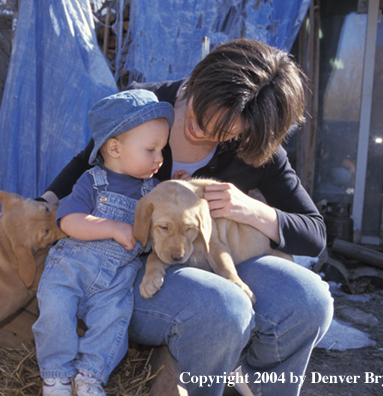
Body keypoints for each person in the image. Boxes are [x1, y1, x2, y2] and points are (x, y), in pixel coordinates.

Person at [40, 39, 333, 396]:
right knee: (222, 306)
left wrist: (249, 208)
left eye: (224, 133)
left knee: (309, 299)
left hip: (219, 258)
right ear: (197, 80)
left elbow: (314, 233)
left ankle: (253, 382)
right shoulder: (142, 106)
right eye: (198, 114)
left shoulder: (254, 143)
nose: (203, 133)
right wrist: (40, 206)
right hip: (129, 269)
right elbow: (82, 167)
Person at [32, 89, 174, 396]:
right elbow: (69, 221)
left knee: (114, 323)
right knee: (55, 313)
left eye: (162, 149)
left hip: (116, 280)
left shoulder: (154, 192)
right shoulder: (92, 181)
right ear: (114, 148)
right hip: (71, 269)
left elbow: (164, 227)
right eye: (151, 149)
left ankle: (90, 377)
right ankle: (56, 376)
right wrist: (112, 227)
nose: (160, 159)